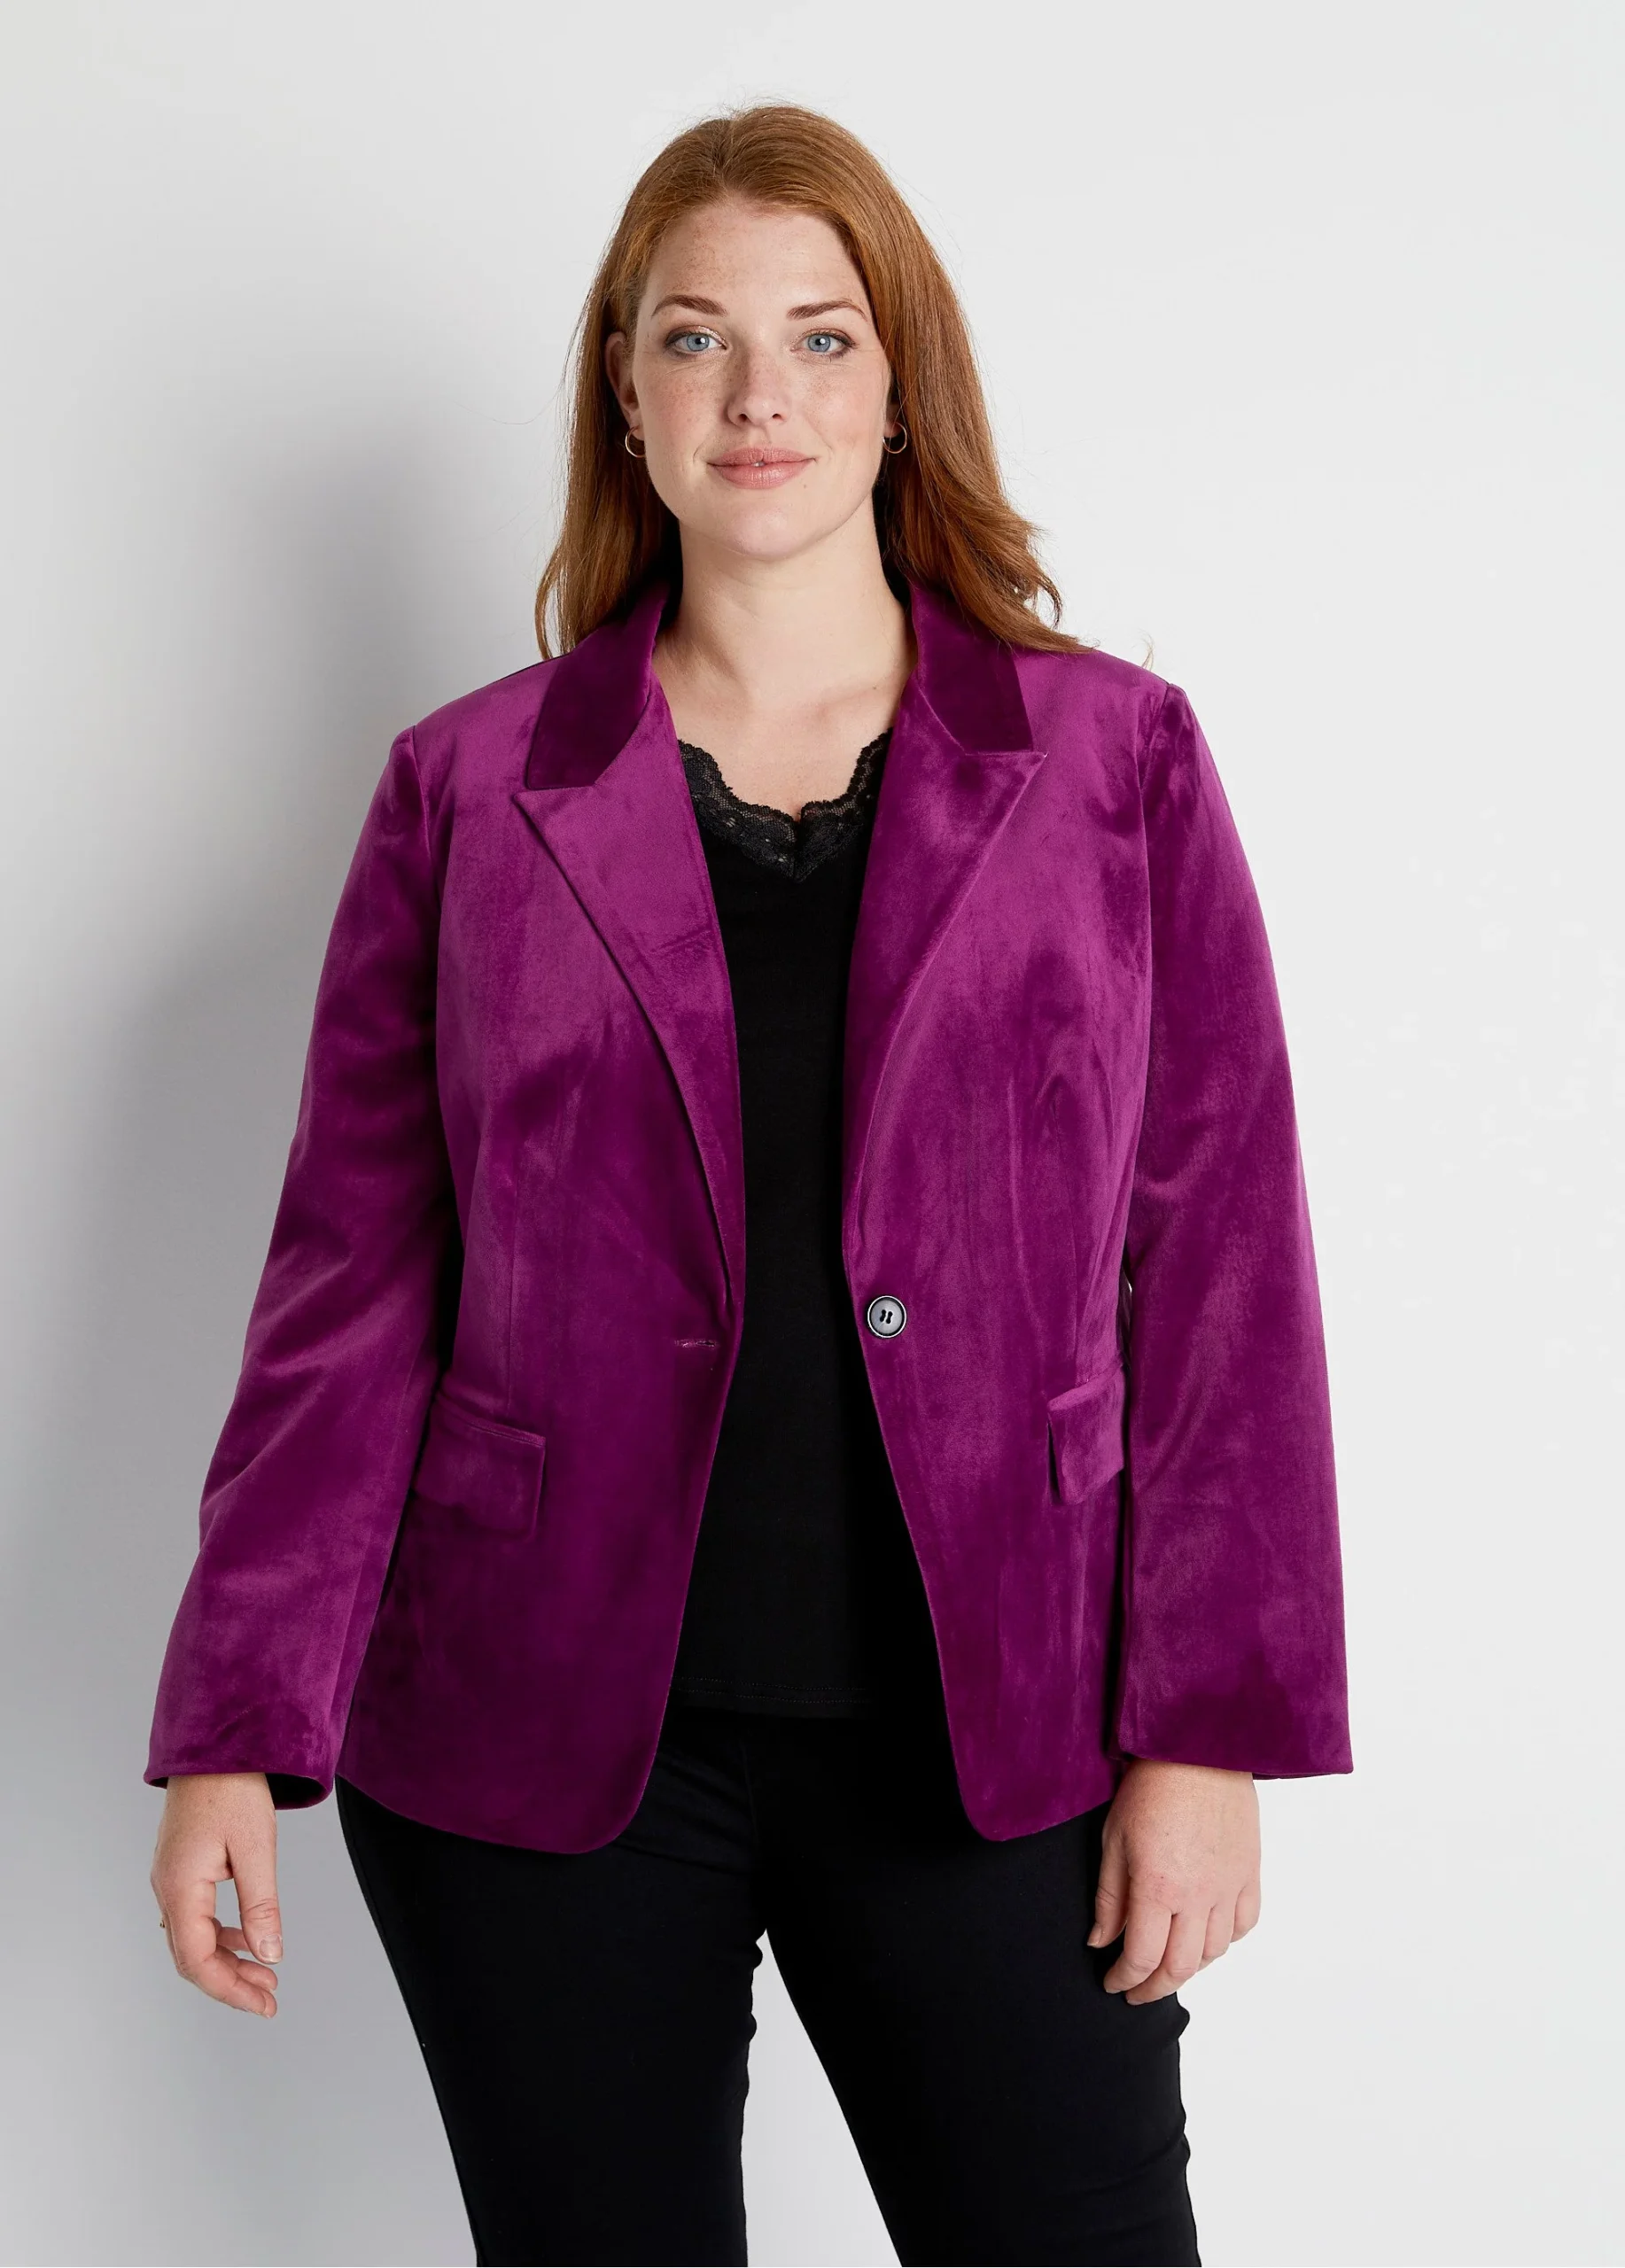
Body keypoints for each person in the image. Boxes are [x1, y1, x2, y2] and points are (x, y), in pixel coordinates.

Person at [145, 103, 1350, 2268]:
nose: (757, 393)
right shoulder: (467, 791)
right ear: (626, 391)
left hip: (998, 1738)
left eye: (816, 336)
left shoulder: (1112, 764)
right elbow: (354, 1283)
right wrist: (235, 1723)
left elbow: (1221, 1257)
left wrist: (1206, 1730)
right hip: (536, 1756)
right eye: (694, 338)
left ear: (897, 382)